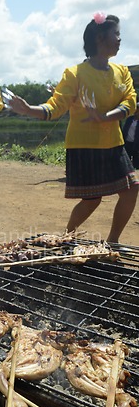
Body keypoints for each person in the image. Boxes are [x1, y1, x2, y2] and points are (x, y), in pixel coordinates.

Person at [9, 13, 138, 244]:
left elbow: (130, 102)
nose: (120, 39)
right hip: (84, 146)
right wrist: (29, 109)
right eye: (116, 34)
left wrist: (105, 117)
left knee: (131, 189)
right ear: (100, 38)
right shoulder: (75, 74)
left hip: (114, 144)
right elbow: (55, 106)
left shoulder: (122, 72)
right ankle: (68, 236)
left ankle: (113, 241)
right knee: (93, 199)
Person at [122, 102, 139, 169]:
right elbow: (125, 129)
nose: (136, 111)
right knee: (126, 162)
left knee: (136, 164)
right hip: (127, 143)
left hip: (136, 144)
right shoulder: (130, 119)